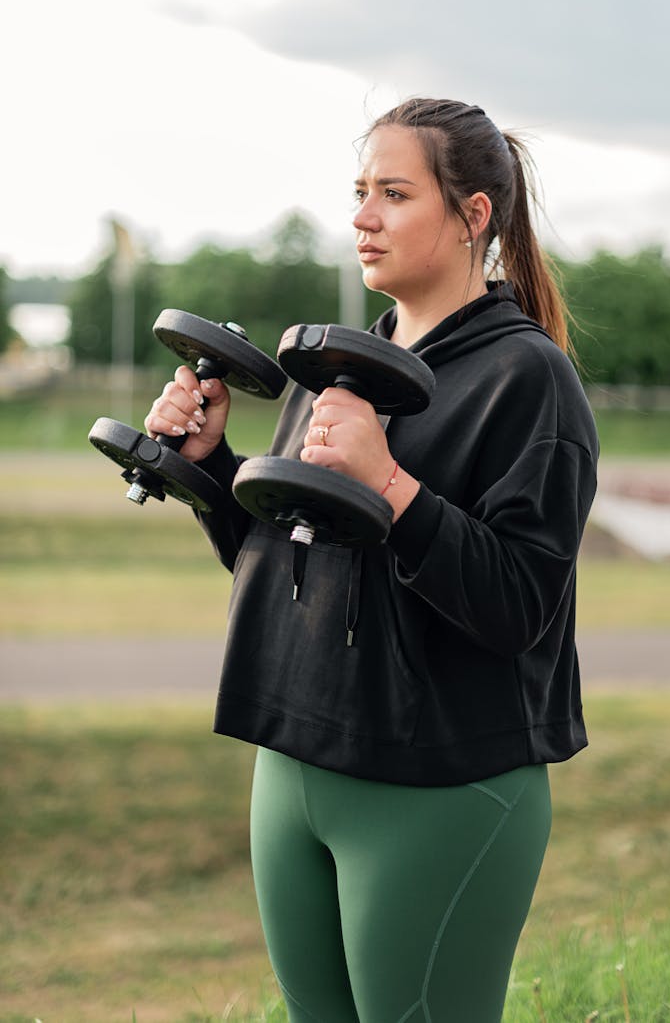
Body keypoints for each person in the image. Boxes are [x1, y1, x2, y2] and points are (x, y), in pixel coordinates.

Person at [145, 97, 599, 1023]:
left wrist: (389, 484)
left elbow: (519, 605)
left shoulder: (529, 379)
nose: (362, 217)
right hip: (296, 765)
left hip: (440, 784)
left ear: (475, 215)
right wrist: (214, 474)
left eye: (394, 193)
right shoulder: (334, 372)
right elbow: (284, 565)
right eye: (360, 192)